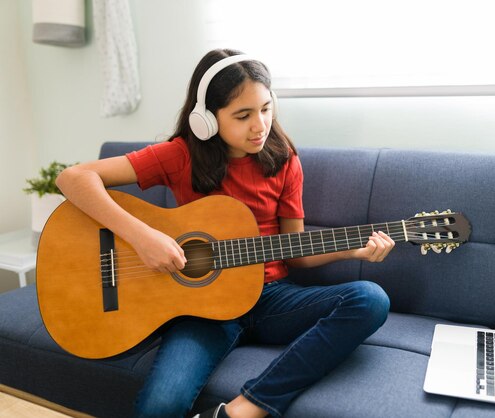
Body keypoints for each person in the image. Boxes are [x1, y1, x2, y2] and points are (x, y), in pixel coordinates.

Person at [56, 48, 394, 418]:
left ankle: (245, 409)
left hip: (271, 298)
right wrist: (142, 237)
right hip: (202, 309)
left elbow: (295, 252)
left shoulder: (285, 161)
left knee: (370, 299)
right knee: (161, 406)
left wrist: (353, 251)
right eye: (243, 115)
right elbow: (73, 178)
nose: (260, 125)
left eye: (266, 109)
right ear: (207, 119)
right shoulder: (180, 155)